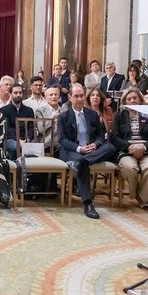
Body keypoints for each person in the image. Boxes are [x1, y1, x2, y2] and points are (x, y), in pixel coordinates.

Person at [57, 83, 117, 220]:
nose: (79, 99)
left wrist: (95, 145)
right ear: (70, 97)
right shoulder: (63, 117)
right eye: (76, 96)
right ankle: (88, 204)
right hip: (73, 149)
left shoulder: (92, 115)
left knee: (110, 148)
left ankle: (82, 162)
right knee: (82, 164)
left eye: (82, 96)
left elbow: (101, 136)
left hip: (91, 151)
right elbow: (62, 140)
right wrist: (80, 149)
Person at [111, 87, 148, 210]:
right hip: (127, 150)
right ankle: (141, 195)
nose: (132, 101)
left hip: (146, 150)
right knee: (129, 167)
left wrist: (143, 147)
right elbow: (114, 138)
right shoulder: (119, 115)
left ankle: (141, 197)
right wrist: (130, 147)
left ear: (140, 100)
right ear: (125, 102)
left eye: (134, 98)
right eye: (129, 99)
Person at [0, 82, 35, 160]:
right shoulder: (3, 110)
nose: (18, 95)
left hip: (26, 139)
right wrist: (18, 140)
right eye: (15, 93)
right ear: (10, 94)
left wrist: (27, 139)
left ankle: (30, 171)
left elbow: (31, 127)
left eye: (20, 92)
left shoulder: (29, 110)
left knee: (36, 149)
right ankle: (15, 170)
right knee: (15, 147)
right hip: (10, 138)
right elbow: (7, 128)